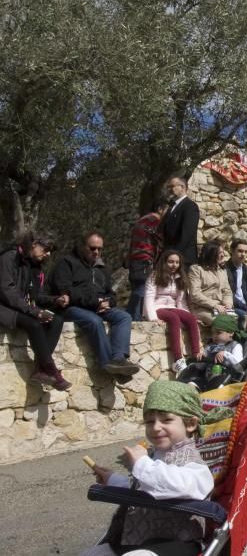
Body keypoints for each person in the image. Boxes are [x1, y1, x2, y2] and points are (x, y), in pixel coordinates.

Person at [82, 380, 217, 556]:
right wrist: (112, 479)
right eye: (149, 421)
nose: (155, 427)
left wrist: (142, 464)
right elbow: (142, 489)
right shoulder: (154, 455)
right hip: (136, 539)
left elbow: (181, 486)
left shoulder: (194, 464)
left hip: (177, 544)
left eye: (167, 420)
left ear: (190, 424)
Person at [51, 231, 138, 377]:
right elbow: (65, 290)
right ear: (82, 247)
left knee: (124, 317)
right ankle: (107, 363)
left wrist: (108, 302)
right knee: (94, 321)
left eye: (99, 249)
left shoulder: (102, 269)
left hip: (98, 307)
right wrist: (94, 302)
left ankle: (118, 359)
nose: (96, 252)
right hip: (73, 308)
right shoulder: (66, 264)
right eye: (92, 248)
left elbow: (111, 294)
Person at [0, 231, 71, 390]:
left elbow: (36, 296)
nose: (48, 254)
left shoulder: (31, 265)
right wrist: (33, 312)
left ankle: (41, 369)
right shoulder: (9, 257)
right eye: (45, 249)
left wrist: (55, 300)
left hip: (18, 305)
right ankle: (52, 370)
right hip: (4, 306)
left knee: (56, 320)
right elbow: (7, 291)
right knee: (33, 324)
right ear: (33, 245)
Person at [145, 249, 202, 374]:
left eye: (177, 262)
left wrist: (187, 315)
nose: (174, 265)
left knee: (191, 319)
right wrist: (152, 317)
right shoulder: (154, 276)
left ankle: (196, 354)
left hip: (173, 307)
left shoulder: (180, 278)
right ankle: (178, 360)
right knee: (173, 319)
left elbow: (181, 301)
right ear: (164, 262)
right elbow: (149, 298)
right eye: (170, 262)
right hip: (157, 307)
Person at [125, 197, 170, 321]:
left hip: (136, 260)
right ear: (160, 209)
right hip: (144, 260)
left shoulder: (142, 220)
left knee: (139, 288)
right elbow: (161, 239)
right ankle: (133, 319)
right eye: (167, 210)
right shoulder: (153, 220)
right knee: (142, 289)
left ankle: (131, 317)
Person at [187, 241, 234, 326]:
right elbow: (195, 294)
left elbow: (227, 291)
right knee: (224, 324)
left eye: (223, 252)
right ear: (211, 253)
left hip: (221, 308)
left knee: (239, 321)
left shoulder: (222, 271)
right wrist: (214, 305)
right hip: (201, 308)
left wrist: (228, 304)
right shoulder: (196, 269)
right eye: (219, 253)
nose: (223, 255)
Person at [161, 176, 200, 266]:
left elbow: (187, 234)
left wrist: (174, 255)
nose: (169, 189)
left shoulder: (190, 206)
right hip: (170, 258)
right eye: (168, 187)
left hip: (182, 259)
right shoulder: (171, 207)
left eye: (172, 186)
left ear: (182, 187)